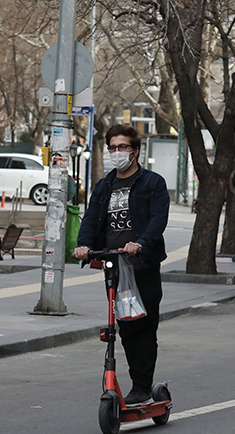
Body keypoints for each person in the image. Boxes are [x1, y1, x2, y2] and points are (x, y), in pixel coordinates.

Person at [73, 124, 170, 406]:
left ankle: (143, 385)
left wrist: (140, 243)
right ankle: (135, 384)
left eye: (123, 147)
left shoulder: (152, 183)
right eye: (113, 148)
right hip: (114, 268)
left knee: (145, 325)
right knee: (125, 327)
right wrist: (84, 246)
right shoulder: (104, 186)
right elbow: (91, 219)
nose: (117, 153)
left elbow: (157, 221)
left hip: (142, 265)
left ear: (136, 150)